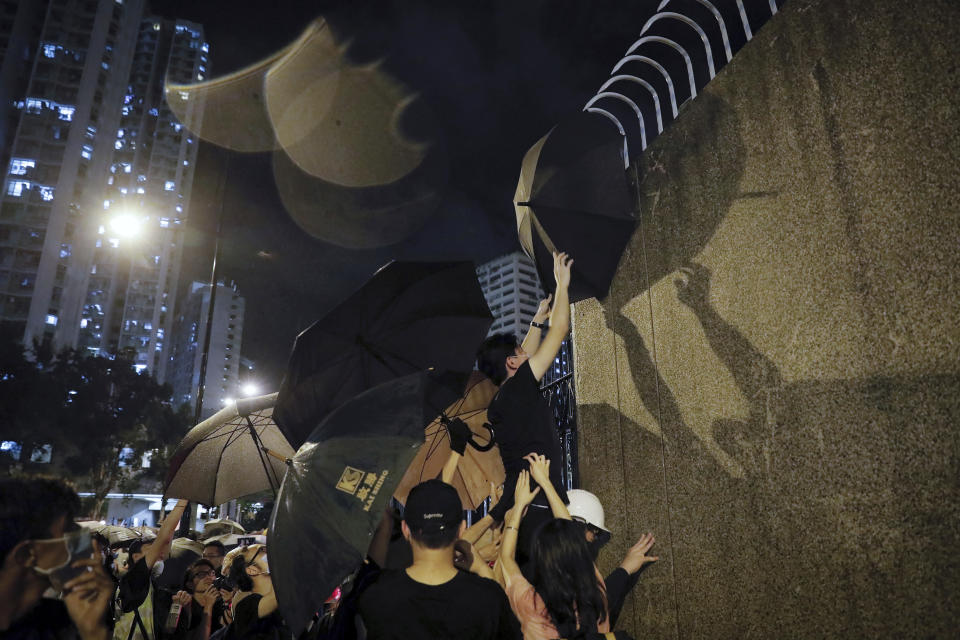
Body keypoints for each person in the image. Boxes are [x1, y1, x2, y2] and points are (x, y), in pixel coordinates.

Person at [476, 251, 574, 561]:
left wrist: (535, 319)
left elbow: (524, 354)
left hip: (521, 505)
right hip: (541, 501)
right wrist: (562, 286)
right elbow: (557, 333)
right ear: (511, 362)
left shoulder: (500, 402)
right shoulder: (518, 389)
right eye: (519, 352)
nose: (526, 353)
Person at [357, 479, 519, 639]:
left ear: (406, 530)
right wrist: (482, 568)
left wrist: (385, 526)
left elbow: (370, 573)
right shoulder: (488, 598)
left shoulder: (377, 596)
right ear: (461, 529)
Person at [0, 476, 115, 640]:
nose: (84, 540)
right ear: (26, 555)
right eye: (69, 530)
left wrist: (93, 632)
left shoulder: (65, 621)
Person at [500, 471, 610, 640]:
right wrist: (546, 482)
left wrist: (518, 508)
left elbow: (506, 558)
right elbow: (575, 546)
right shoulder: (596, 594)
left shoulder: (533, 605)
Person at [566, 490, 657, 627]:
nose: (594, 538)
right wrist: (624, 570)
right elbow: (591, 610)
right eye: (593, 530)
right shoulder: (561, 565)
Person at [114, 499, 188, 640]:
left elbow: (169, 629)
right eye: (152, 551)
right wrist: (183, 501)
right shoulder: (133, 581)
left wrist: (177, 606)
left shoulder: (154, 587)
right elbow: (163, 539)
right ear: (136, 557)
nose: (158, 554)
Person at [222, 544, 288, 640]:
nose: (269, 551)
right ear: (252, 570)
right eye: (262, 550)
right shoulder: (244, 604)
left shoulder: (284, 601)